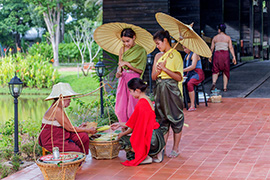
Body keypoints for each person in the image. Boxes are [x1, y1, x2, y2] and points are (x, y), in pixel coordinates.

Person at [111, 78, 165, 166]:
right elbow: (135, 123)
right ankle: (154, 153)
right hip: (157, 135)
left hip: (152, 139)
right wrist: (119, 124)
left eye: (131, 91)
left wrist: (122, 134)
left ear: (137, 91)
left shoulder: (141, 104)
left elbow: (133, 127)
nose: (130, 94)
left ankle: (147, 156)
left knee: (124, 141)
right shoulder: (147, 100)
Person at [39, 82, 97, 155]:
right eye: (68, 98)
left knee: (83, 137)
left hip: (62, 133)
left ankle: (82, 158)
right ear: (61, 98)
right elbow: (70, 128)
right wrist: (87, 130)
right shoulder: (57, 109)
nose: (70, 101)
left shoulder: (59, 107)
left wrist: (81, 128)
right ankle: (77, 159)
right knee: (75, 151)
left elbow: (68, 127)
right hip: (52, 139)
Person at [151, 30, 184, 158]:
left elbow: (179, 77)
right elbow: (153, 77)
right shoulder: (158, 56)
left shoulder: (176, 55)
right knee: (162, 118)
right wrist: (158, 71)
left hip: (172, 89)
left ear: (165, 41)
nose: (157, 47)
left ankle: (175, 148)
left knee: (175, 118)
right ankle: (162, 147)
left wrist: (165, 69)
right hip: (160, 88)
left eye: (158, 43)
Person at [115, 28, 147, 124]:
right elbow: (119, 66)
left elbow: (140, 70)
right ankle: (123, 126)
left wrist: (129, 65)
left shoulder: (141, 50)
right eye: (123, 41)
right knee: (121, 104)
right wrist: (118, 73)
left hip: (134, 79)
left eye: (128, 41)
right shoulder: (122, 49)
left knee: (133, 104)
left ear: (134, 37)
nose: (126, 44)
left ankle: (134, 127)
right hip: (123, 78)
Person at [209, 23, 237, 92]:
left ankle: (214, 82)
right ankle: (225, 87)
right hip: (225, 55)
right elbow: (230, 47)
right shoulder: (228, 38)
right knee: (225, 70)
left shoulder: (215, 37)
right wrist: (234, 57)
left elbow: (212, 48)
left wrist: (209, 56)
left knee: (215, 70)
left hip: (217, 54)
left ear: (219, 30)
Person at [183, 46, 205, 111]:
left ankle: (192, 105)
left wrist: (183, 70)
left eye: (186, 48)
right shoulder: (186, 56)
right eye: (183, 48)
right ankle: (185, 102)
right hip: (189, 73)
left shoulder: (195, 54)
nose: (184, 50)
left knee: (190, 83)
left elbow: (193, 66)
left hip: (197, 73)